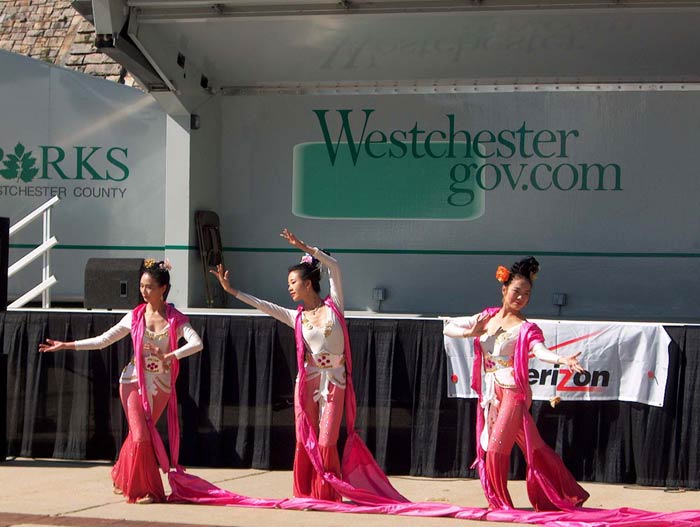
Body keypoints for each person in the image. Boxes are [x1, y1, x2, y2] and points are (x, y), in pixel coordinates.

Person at [210, 229, 405, 504]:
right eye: (288, 283)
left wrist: (304, 247)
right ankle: (307, 493)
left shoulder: (335, 306)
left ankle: (328, 495)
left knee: (326, 441)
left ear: (309, 283)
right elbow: (263, 305)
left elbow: (334, 267)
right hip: (308, 382)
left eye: (293, 282)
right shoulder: (296, 317)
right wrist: (232, 291)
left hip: (335, 382)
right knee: (306, 439)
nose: (289, 287)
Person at [39, 259, 203, 504]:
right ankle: (147, 490)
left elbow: (197, 344)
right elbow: (103, 340)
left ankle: (120, 474)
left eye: (149, 286)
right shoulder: (135, 316)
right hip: (132, 381)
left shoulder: (175, 319)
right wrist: (67, 345)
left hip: (160, 386)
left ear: (163, 289)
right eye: (141, 286)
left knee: (140, 434)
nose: (144, 291)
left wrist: (169, 355)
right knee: (141, 436)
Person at [443, 257, 589, 511]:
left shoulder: (526, 328)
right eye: (516, 291)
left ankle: (500, 504)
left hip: (512, 392)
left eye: (527, 294)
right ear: (504, 290)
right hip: (491, 392)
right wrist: (471, 333)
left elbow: (540, 351)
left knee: (496, 448)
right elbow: (449, 328)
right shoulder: (486, 317)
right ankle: (569, 492)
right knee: (534, 445)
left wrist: (562, 359)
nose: (521, 298)